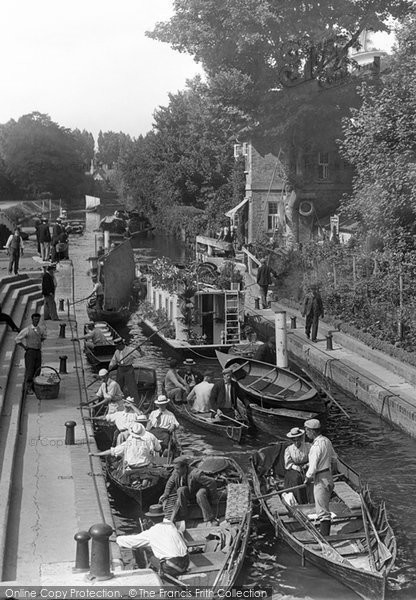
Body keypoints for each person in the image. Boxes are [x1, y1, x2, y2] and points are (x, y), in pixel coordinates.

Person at [116, 504, 189, 577]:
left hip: (172, 567)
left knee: (147, 551)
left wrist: (117, 539)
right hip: (186, 563)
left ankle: (143, 568)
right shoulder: (170, 525)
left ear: (150, 519)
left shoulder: (151, 532)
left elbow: (131, 542)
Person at [159, 456, 219, 525]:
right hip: (191, 492)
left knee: (200, 494)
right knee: (180, 490)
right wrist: (166, 494)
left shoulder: (195, 474)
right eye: (175, 468)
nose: (176, 470)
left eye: (178, 468)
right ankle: (184, 516)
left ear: (184, 467)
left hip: (201, 490)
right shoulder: (176, 473)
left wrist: (214, 498)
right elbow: (170, 483)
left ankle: (209, 518)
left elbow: (212, 482)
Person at [303, 418, 337, 537]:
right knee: (325, 505)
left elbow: (312, 469)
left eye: (307, 430)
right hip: (328, 476)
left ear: (312, 431)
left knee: (322, 511)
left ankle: (325, 539)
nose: (306, 433)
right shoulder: (327, 441)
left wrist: (307, 479)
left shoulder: (315, 447)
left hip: (320, 478)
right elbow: (334, 458)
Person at [89, 421, 161, 470]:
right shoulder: (148, 441)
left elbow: (112, 451)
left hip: (131, 467)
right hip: (145, 466)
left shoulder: (128, 442)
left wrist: (96, 454)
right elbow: (158, 449)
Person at [15, 313, 47, 394]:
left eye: (38, 319)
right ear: (32, 319)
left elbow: (44, 336)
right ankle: (28, 388)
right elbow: (17, 339)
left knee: (37, 369)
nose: (36, 321)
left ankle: (35, 386)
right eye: (35, 319)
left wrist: (38, 342)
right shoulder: (27, 329)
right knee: (30, 370)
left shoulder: (41, 329)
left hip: (38, 351)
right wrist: (24, 347)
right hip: (30, 352)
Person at [284, 427, 313, 504]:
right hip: (294, 468)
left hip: (307, 466)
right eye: (294, 440)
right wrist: (296, 467)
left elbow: (313, 459)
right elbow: (288, 464)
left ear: (301, 438)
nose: (296, 442)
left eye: (298, 440)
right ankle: (300, 502)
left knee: (310, 477)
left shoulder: (308, 446)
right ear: (292, 440)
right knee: (296, 479)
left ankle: (312, 500)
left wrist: (307, 465)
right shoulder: (288, 449)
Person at [108, 338, 141, 403]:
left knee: (132, 386)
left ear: (121, 345)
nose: (116, 347)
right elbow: (113, 361)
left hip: (128, 369)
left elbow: (139, 356)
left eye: (117, 346)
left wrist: (139, 350)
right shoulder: (117, 352)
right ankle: (118, 400)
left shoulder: (130, 350)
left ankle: (136, 402)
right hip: (120, 369)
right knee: (118, 385)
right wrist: (109, 368)